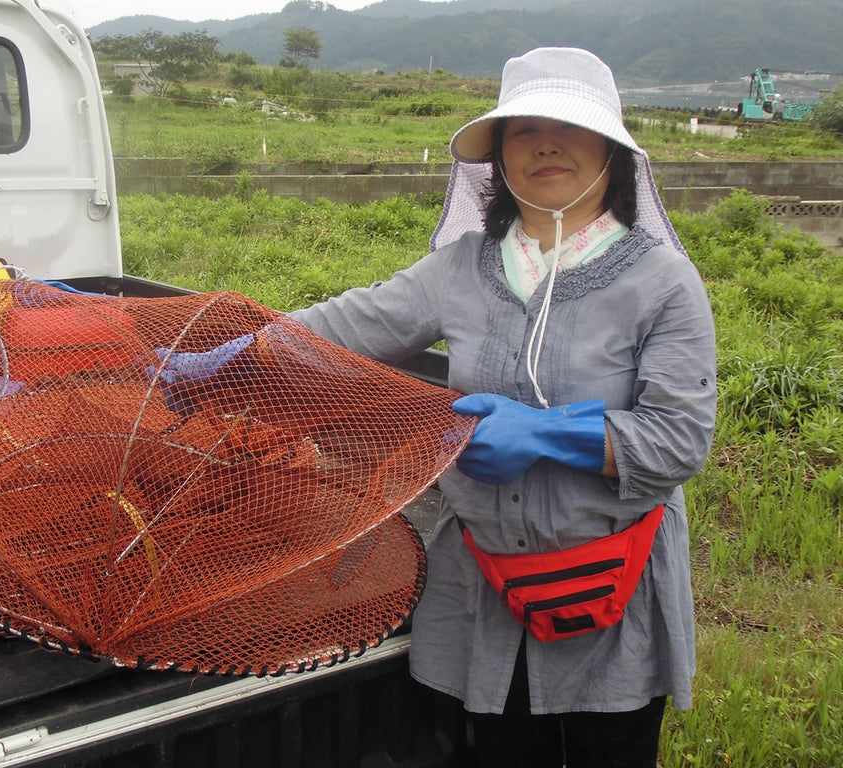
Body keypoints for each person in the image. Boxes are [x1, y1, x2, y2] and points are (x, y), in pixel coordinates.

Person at [284, 47, 718, 766]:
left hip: (610, 587)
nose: (546, 144)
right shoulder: (461, 266)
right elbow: (347, 324)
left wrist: (546, 434)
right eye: (525, 130)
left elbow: (679, 441)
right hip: (483, 584)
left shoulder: (664, 282)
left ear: (611, 152)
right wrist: (226, 341)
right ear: (500, 157)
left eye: (570, 127)